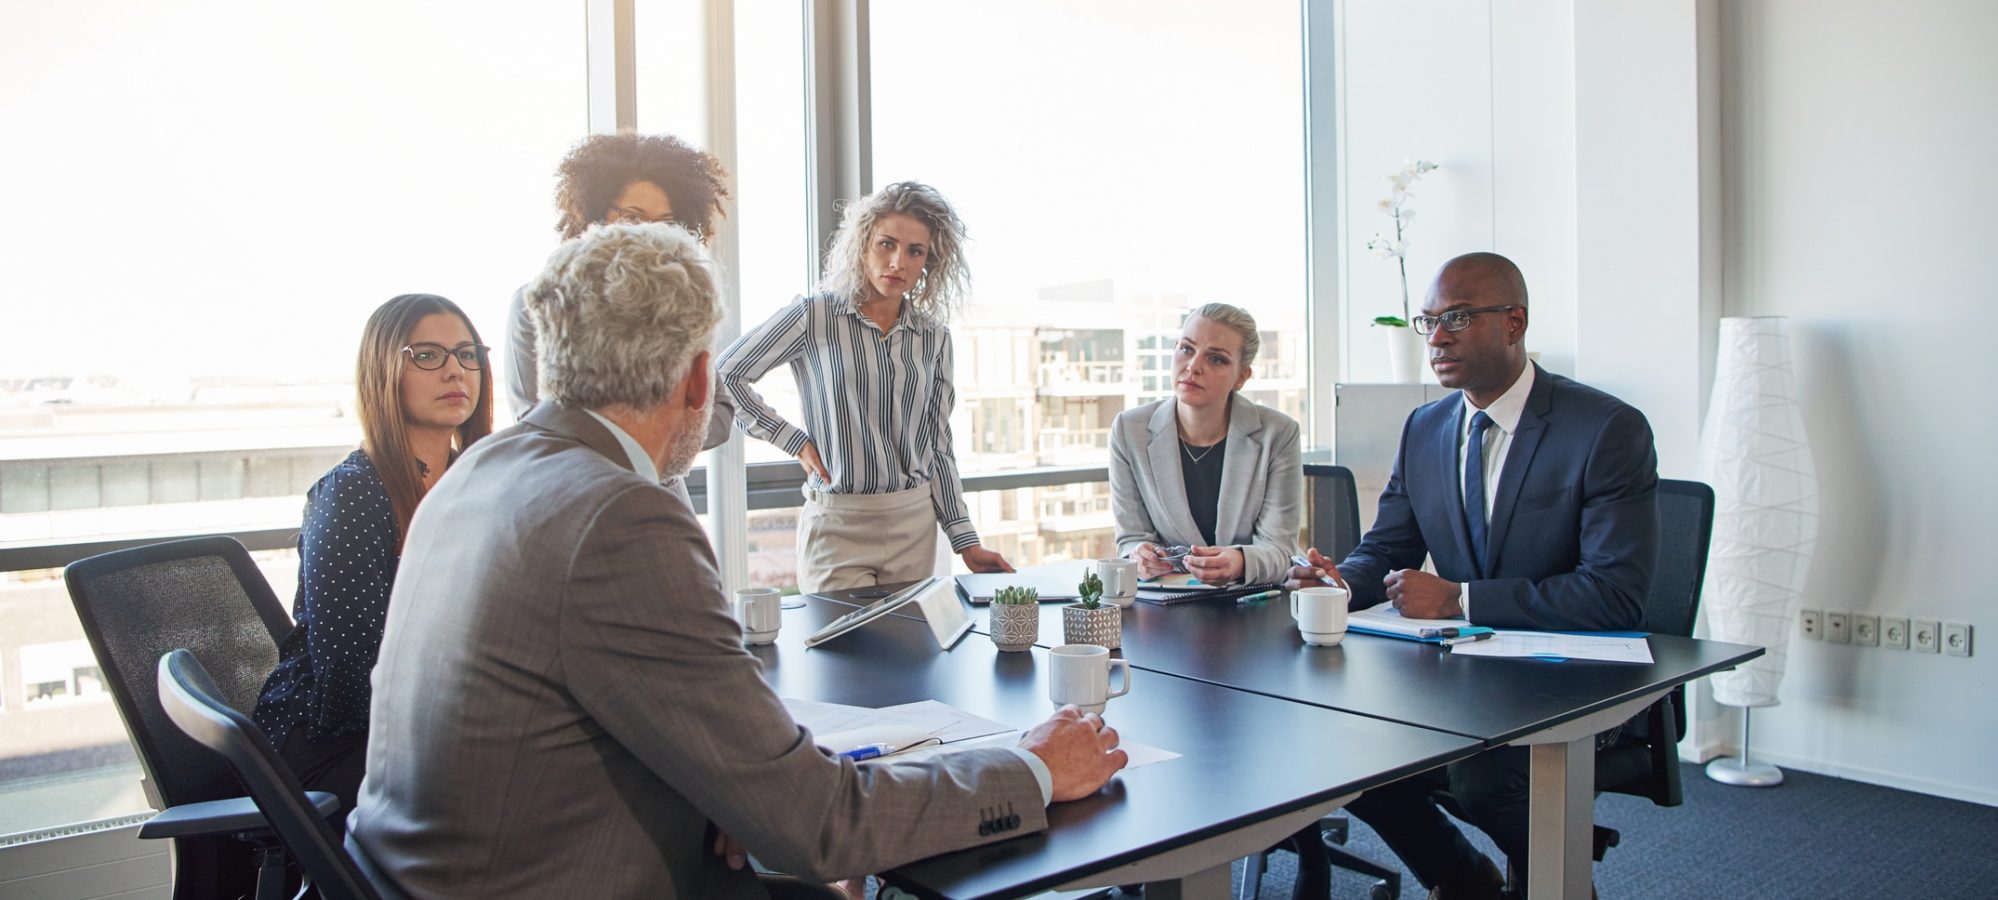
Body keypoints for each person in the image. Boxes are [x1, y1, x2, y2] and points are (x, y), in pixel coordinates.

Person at [347, 224, 1128, 899]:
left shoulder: (482, 470)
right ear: (697, 377)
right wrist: (1030, 769)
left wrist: (739, 785)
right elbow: (821, 824)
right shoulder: (623, 515)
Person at [1286, 252, 1659, 898]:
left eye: (1455, 317)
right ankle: (1466, 882)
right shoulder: (1426, 428)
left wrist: (1459, 598)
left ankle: (1565, 882)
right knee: (1346, 750)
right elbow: (1386, 547)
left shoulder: (1605, 429)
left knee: (1486, 780)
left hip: (1575, 673)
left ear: (1514, 323)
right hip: (1462, 673)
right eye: (1426, 321)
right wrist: (1338, 584)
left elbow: (1614, 597)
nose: (1436, 337)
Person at [252, 294, 494, 818]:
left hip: (421, 727)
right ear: (385, 371)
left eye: (467, 353)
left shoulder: (477, 484)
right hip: (329, 744)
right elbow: (348, 676)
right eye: (428, 356)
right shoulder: (354, 493)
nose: (455, 370)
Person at [716, 181, 1012, 593]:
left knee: (909, 656)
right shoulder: (814, 315)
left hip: (914, 523)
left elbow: (938, 446)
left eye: (915, 251)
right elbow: (728, 373)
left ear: (930, 260)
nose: (897, 262)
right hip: (838, 524)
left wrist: (965, 541)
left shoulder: (933, 336)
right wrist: (794, 441)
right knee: (839, 654)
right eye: (886, 244)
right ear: (862, 245)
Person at [503, 132, 735, 502]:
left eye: (666, 223)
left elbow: (719, 414)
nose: (649, 233)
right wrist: (656, 421)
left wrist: (638, 430)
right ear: (592, 215)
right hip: (577, 498)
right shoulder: (543, 301)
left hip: (663, 497)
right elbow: (535, 418)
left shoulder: (680, 312)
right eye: (632, 217)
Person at [1110, 302, 1301, 586]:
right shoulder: (1129, 431)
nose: (1193, 366)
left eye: (1216, 359)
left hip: (1250, 603)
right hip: (1166, 607)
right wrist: (1139, 557)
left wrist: (1240, 561)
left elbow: (1280, 549)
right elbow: (1130, 539)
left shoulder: (1278, 434)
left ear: (1241, 376)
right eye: (1186, 349)